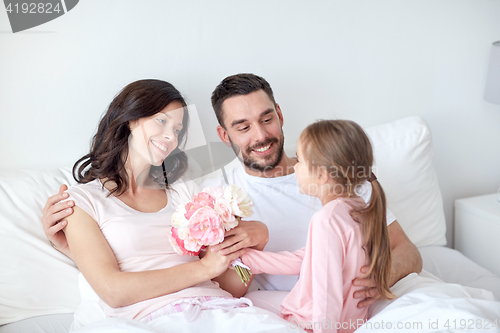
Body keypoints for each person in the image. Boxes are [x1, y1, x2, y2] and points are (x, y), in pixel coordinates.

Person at [42, 74, 422, 308]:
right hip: (287, 308)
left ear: (280, 114)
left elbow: (407, 252)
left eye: (266, 118)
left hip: (367, 302)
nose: (260, 136)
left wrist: (374, 280)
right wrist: (72, 246)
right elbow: (231, 279)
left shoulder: (340, 174)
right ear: (223, 135)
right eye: (242, 127)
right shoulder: (212, 194)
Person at [54, 79, 298, 332]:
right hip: (149, 320)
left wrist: (253, 249)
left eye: (178, 129)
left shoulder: (186, 193)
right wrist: (203, 268)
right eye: (162, 121)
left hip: (220, 310)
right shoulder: (81, 202)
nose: (171, 136)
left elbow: (231, 287)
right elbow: (114, 291)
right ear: (131, 119)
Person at [240, 119, 395, 333]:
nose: (295, 166)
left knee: (247, 303)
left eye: (301, 161)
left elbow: (326, 293)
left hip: (322, 322)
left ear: (321, 175)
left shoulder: (327, 220)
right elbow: (305, 260)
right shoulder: (357, 208)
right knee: (254, 297)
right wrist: (248, 259)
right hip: (352, 318)